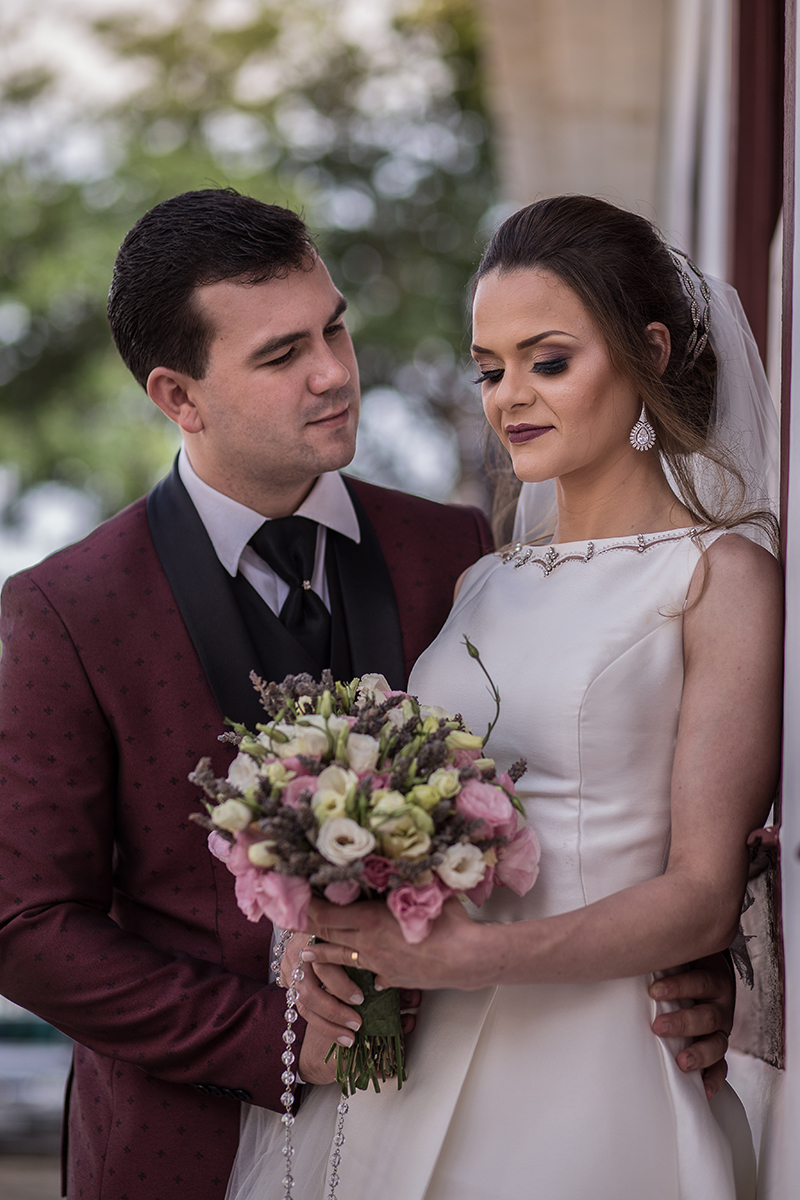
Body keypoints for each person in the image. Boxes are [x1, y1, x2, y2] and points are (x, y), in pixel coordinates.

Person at [0, 189, 736, 1199]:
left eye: (333, 327)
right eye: (278, 356)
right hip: (190, 1149)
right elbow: (25, 924)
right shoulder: (65, 609)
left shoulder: (455, 551)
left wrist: (689, 970)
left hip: (495, 1114)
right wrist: (276, 1037)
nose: (334, 373)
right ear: (179, 396)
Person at [228, 196, 783, 1200]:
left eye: (548, 360)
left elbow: (701, 894)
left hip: (596, 1070)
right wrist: (330, 926)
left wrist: (469, 958)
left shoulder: (719, 578)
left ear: (646, 352)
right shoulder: (483, 580)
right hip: (420, 1053)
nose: (508, 396)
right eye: (489, 367)